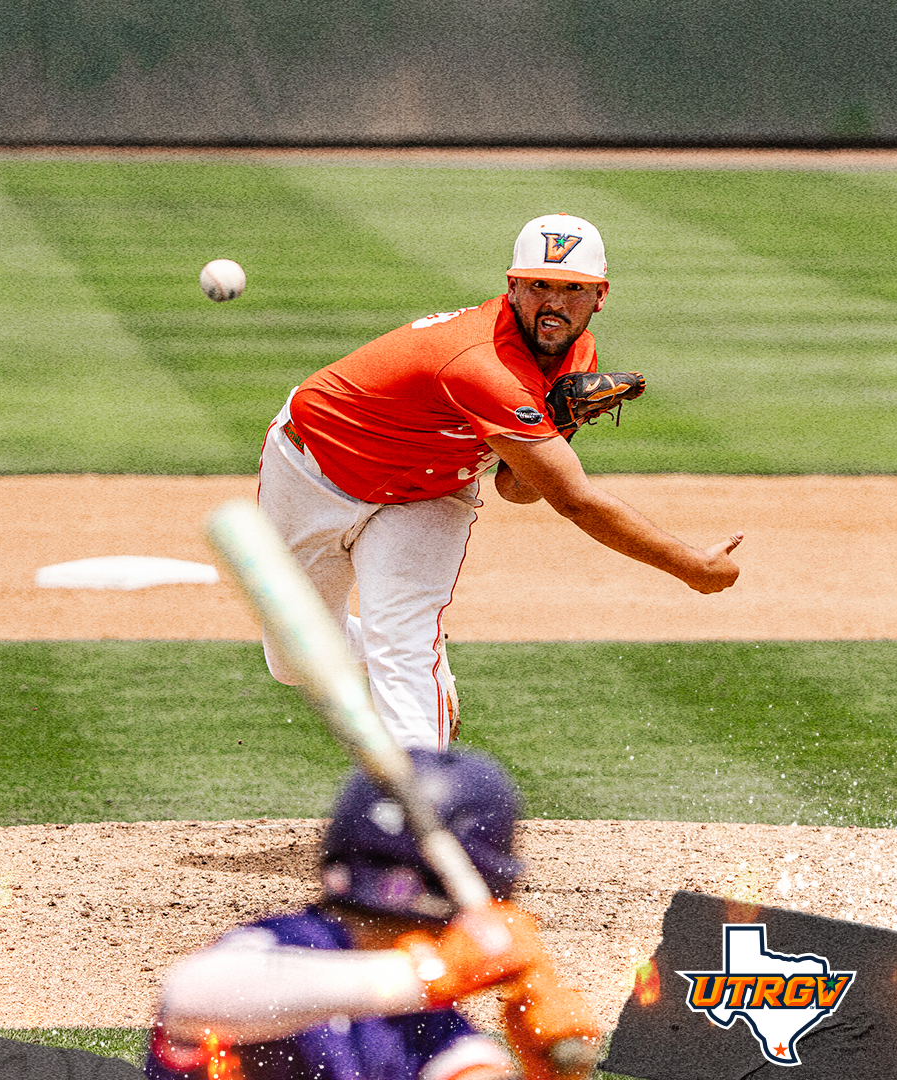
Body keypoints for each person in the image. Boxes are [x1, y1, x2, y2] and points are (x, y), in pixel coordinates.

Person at [256, 214, 743, 749]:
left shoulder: (578, 353)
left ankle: (426, 788)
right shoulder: (482, 362)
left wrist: (562, 423)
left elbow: (516, 487)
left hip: (430, 490)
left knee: (401, 644)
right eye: (539, 285)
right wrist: (691, 565)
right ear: (512, 287)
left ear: (600, 296)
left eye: (573, 289)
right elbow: (574, 501)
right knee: (294, 660)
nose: (554, 303)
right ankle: (421, 654)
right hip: (312, 472)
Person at [146, 748, 598, 1080]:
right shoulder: (287, 944)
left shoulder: (426, 1020)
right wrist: (431, 974)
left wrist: (549, 1071)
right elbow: (193, 994)